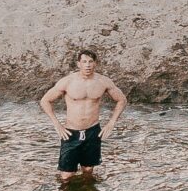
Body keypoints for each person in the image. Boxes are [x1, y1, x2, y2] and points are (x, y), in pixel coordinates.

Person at [38, 50, 128, 180]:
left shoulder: (103, 82)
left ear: (95, 63)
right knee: (66, 176)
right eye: (84, 62)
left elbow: (122, 100)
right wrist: (57, 124)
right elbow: (45, 100)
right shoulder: (68, 81)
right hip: (70, 132)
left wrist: (111, 123)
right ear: (78, 64)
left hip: (92, 131)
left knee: (88, 170)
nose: (87, 65)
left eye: (90, 61)